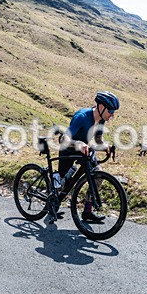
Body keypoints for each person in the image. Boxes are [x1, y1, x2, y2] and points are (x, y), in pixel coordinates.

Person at [55, 91, 119, 222]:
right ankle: (52, 202)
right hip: (69, 149)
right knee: (61, 182)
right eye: (111, 111)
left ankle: (87, 211)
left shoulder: (101, 119)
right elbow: (63, 139)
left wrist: (105, 146)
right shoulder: (82, 116)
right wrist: (78, 144)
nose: (112, 115)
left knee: (98, 175)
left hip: (85, 151)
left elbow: (98, 140)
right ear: (101, 107)